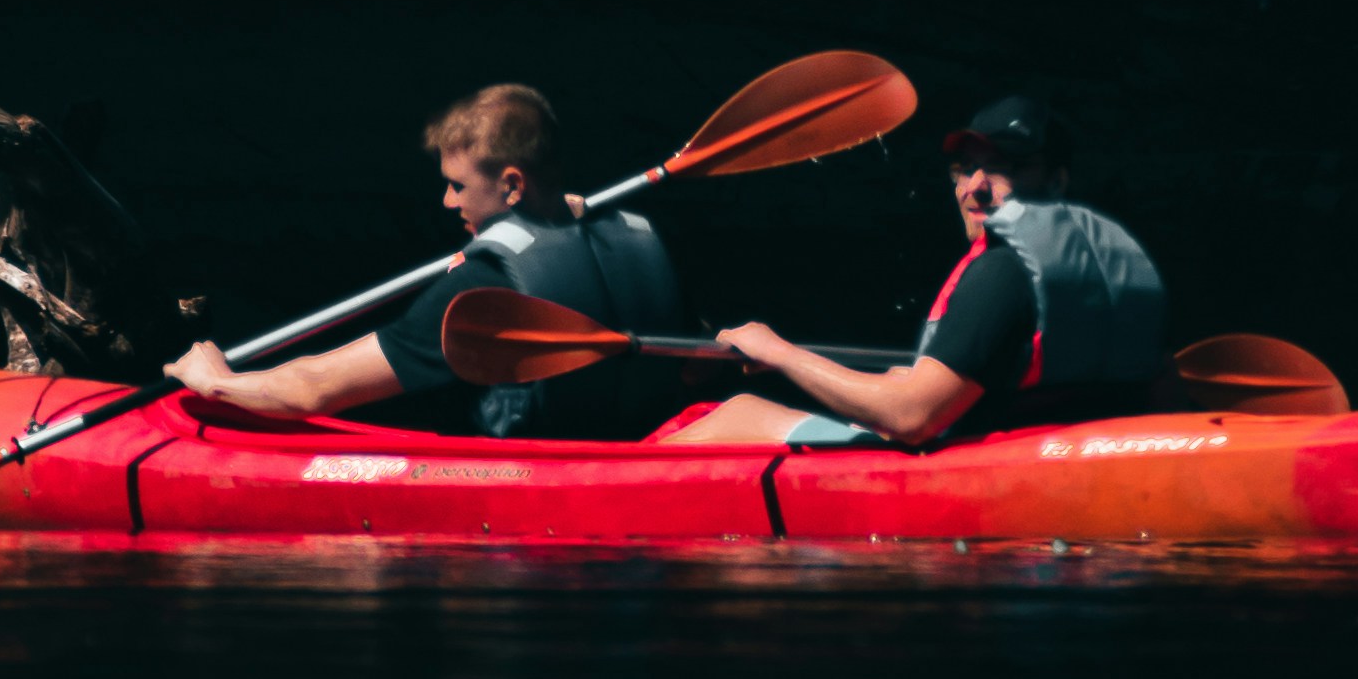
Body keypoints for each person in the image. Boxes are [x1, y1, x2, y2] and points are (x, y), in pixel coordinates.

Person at [164, 83, 694, 436]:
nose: (448, 202)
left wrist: (217, 381)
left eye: (458, 185)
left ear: (512, 185)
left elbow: (314, 388)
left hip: (531, 513)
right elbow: (689, 369)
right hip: (638, 450)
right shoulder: (634, 239)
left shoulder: (483, 286)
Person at [685, 89, 1170, 447]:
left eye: (1001, 167)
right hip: (1080, 448)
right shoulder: (1118, 265)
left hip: (984, 468)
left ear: (1057, 178)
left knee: (735, 415)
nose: (974, 187)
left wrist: (779, 352)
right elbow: (1157, 392)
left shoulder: (1003, 272)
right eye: (964, 168)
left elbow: (912, 417)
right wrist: (924, 378)